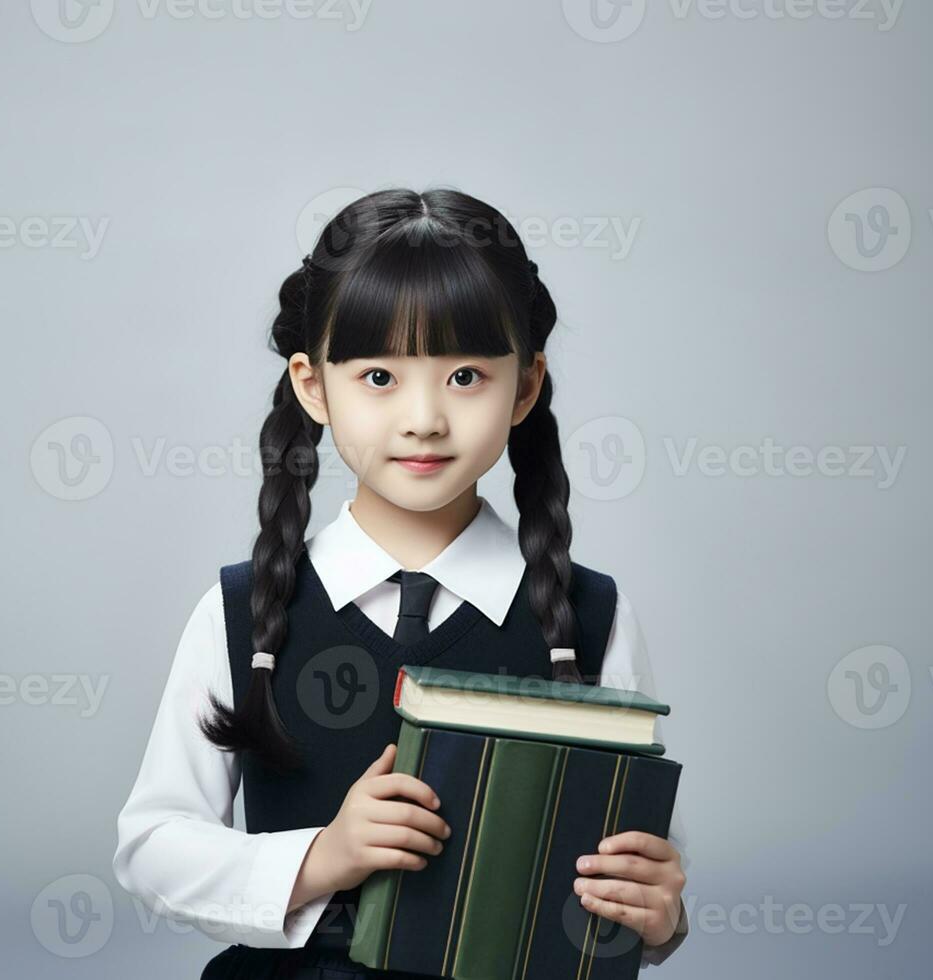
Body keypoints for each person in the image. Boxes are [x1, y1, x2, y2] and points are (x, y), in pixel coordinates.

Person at [114, 188, 689, 978]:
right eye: (380, 376)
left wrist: (659, 915)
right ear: (313, 386)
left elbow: (640, 868)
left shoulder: (591, 618)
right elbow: (153, 845)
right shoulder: (241, 613)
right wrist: (323, 857)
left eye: (465, 377)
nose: (423, 419)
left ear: (525, 386)